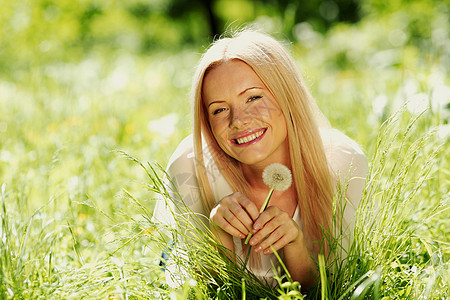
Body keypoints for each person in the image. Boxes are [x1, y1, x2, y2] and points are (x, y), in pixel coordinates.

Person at [152, 29, 368, 289]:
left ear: (287, 94)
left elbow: (338, 285)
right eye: (219, 109)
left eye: (254, 97)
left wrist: (295, 246)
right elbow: (209, 290)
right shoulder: (189, 167)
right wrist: (219, 236)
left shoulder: (344, 163)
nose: (238, 121)